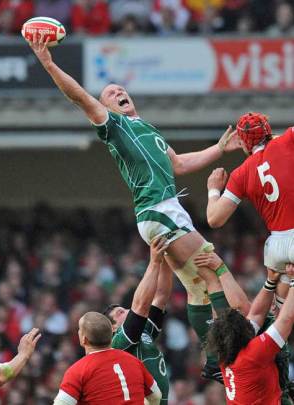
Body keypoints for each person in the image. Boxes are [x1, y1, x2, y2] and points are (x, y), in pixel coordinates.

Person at [28, 34, 240, 380]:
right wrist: (49, 63)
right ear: (107, 107)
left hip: (166, 211)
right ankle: (227, 355)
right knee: (214, 271)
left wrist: (219, 148)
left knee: (199, 287)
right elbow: (79, 96)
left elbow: (180, 164)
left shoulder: (147, 129)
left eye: (120, 89)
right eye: (110, 93)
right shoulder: (115, 126)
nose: (118, 92)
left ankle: (214, 360)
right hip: (158, 210)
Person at [206, 112, 294, 306]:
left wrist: (213, 189)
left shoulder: (241, 174)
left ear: (244, 145)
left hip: (277, 246)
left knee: (282, 311)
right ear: (268, 132)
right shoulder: (288, 140)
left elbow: (214, 219)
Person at [194, 251, 294, 405]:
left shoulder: (228, 352)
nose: (247, 319)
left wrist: (271, 281)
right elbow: (286, 319)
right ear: (241, 333)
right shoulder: (252, 354)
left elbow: (256, 315)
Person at [104, 236, 171, 404]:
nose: (126, 311)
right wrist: (154, 262)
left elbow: (161, 296)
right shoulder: (118, 342)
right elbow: (140, 306)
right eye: (120, 312)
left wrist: (166, 258)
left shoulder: (144, 331)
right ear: (112, 328)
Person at [53, 311, 162, 405]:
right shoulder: (134, 361)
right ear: (111, 335)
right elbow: (156, 396)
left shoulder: (78, 370)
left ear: (84, 339)